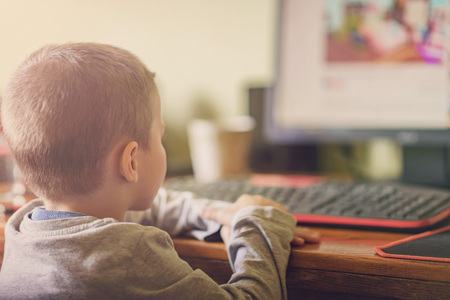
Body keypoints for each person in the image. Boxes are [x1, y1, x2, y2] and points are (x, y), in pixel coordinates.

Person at [0, 43, 320, 299]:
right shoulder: (131, 254)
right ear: (132, 162)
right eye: (161, 136)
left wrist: (213, 212)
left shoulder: (23, 231)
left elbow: (149, 210)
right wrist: (257, 226)